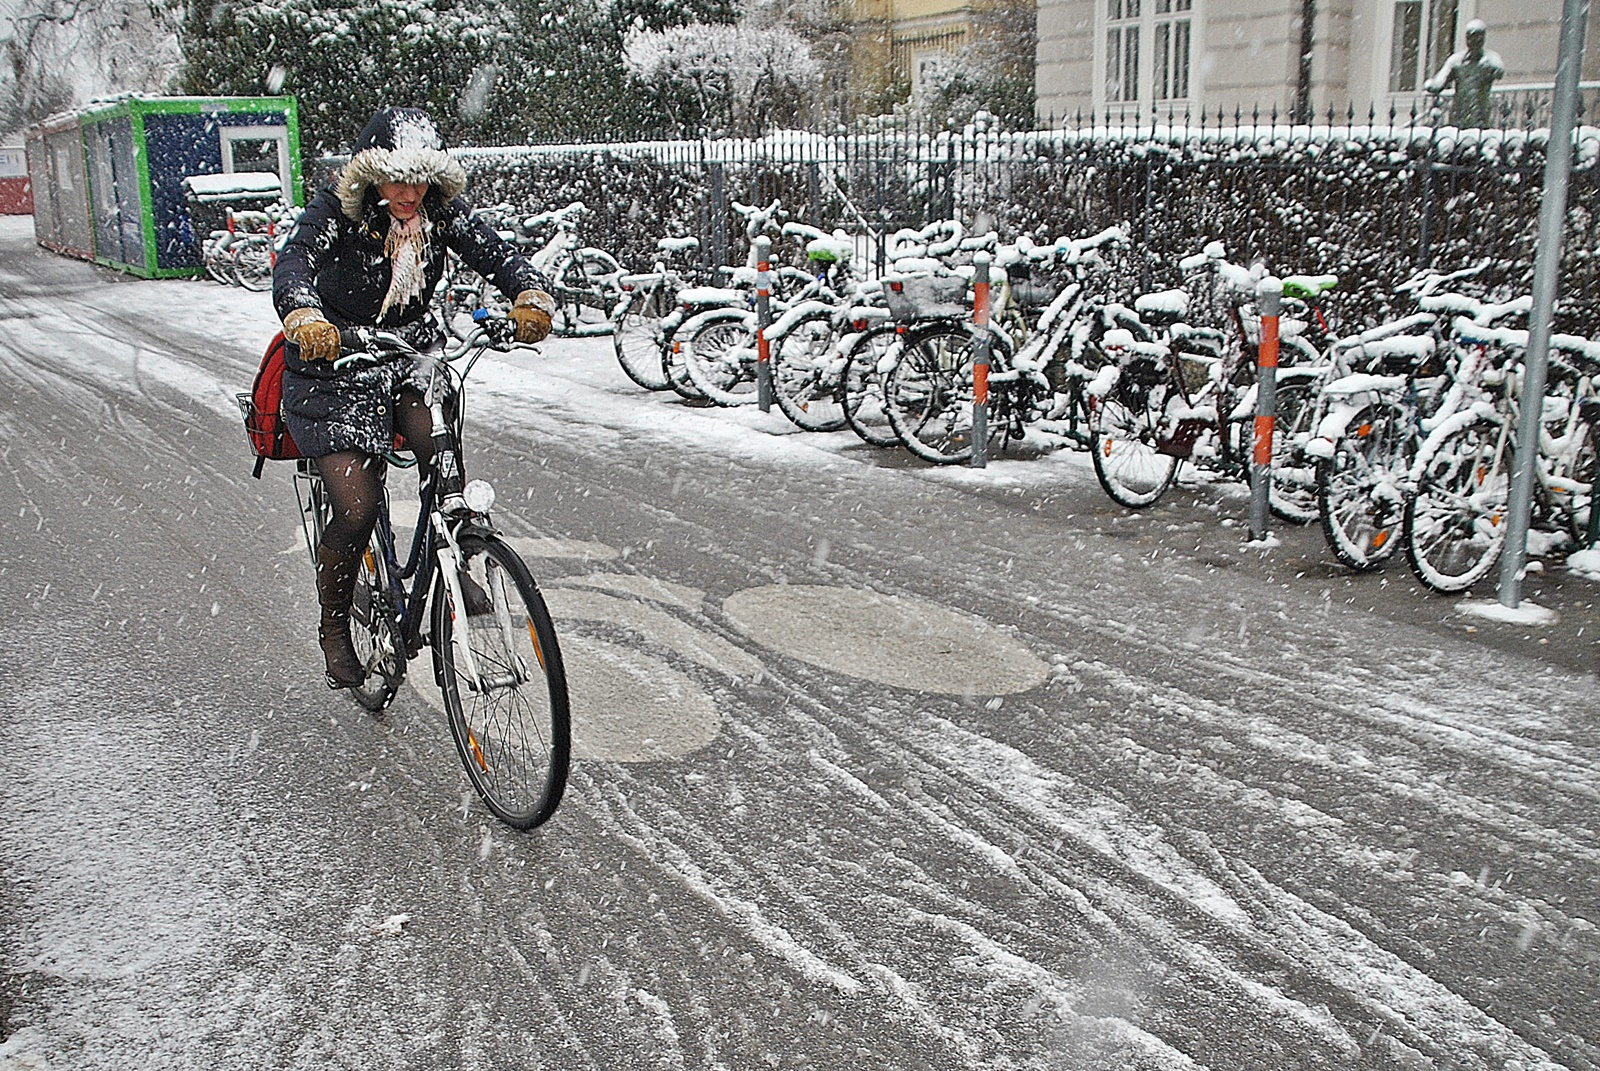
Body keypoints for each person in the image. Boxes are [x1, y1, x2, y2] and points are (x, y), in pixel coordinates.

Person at [272, 105, 556, 690]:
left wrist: (529, 295)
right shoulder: (338, 212)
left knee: (442, 454)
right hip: (335, 362)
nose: (407, 192)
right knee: (356, 505)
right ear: (372, 175)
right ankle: (333, 626)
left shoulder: (439, 213)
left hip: (406, 358)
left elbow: (498, 254)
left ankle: (457, 562)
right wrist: (305, 314)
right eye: (395, 177)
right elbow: (294, 261)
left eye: (419, 177)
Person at [1424, 19, 1504, 128]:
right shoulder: (1456, 61)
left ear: (1483, 38)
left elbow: (1499, 71)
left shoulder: (1490, 59)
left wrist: (1492, 69)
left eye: (1478, 37)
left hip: (1480, 114)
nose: (1474, 41)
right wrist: (1431, 85)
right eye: (1471, 37)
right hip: (1459, 114)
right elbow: (1439, 83)